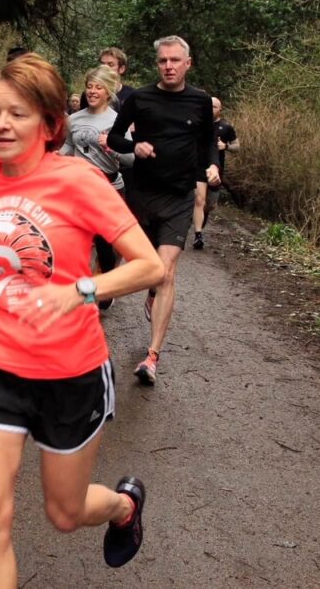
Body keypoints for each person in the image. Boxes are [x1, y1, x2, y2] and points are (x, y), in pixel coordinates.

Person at [0, 54, 164, 588]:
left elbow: (149, 265)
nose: (1, 124)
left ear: (50, 125)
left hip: (70, 373)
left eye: (18, 114)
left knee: (64, 514)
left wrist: (81, 289)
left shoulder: (79, 181)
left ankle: (122, 507)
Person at [103, 36, 219, 386]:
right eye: (162, 61)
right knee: (133, 261)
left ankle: (151, 358)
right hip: (142, 196)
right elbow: (114, 138)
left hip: (178, 198)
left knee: (165, 272)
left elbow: (208, 141)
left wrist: (213, 166)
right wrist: (134, 146)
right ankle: (145, 289)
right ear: (157, 64)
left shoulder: (200, 101)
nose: (168, 66)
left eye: (174, 60)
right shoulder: (140, 98)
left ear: (188, 63)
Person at [60, 65, 134, 310]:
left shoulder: (117, 121)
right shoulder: (74, 119)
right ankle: (80, 296)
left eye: (98, 87)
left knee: (104, 247)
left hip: (109, 188)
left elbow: (131, 158)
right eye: (89, 86)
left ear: (109, 91)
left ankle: (105, 285)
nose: (92, 91)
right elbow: (68, 149)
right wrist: (53, 160)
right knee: (78, 243)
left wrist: (111, 146)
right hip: (79, 190)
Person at [192, 96, 240, 249]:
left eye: (214, 107)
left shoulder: (225, 127)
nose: (211, 109)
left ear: (220, 110)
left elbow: (237, 147)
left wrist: (225, 147)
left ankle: (198, 223)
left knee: (210, 205)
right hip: (198, 167)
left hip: (216, 169)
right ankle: (198, 235)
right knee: (199, 200)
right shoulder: (197, 123)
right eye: (209, 105)